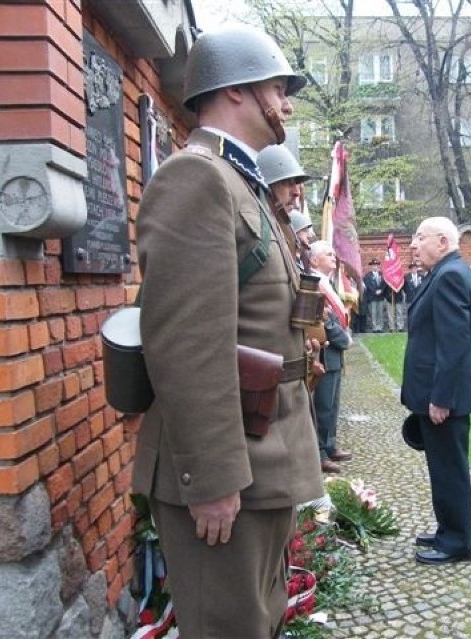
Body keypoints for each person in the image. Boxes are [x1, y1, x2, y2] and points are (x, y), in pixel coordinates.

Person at [132, 25, 324, 638]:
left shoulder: (240, 182)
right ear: (237, 90)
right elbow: (186, 344)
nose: (287, 103)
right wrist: (212, 480)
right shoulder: (197, 179)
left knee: (256, 622)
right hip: (228, 469)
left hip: (264, 453)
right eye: (277, 86)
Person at [401, 216, 471, 565]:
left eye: (420, 237)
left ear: (443, 242)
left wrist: (441, 398)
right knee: (443, 466)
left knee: (449, 469)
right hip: (437, 392)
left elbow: (453, 345)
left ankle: (458, 542)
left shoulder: (449, 276)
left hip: (444, 397)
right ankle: (449, 528)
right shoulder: (445, 272)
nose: (413, 245)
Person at [307, 241, 354, 474]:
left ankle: (330, 444)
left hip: (333, 350)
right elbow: (324, 319)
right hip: (323, 349)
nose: (334, 257)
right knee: (323, 404)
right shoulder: (315, 283)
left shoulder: (327, 282)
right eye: (328, 254)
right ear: (314, 260)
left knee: (333, 404)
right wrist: (344, 339)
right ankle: (320, 453)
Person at [258, 144, 315, 271]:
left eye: (296, 184)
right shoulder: (257, 231)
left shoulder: (284, 231)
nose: (297, 192)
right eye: (285, 182)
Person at [363, 258, 385, 332]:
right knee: (373, 313)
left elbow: (384, 284)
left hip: (380, 296)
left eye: (376, 265)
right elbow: (368, 285)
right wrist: (375, 291)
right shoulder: (368, 275)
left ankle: (380, 327)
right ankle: (375, 327)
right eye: (374, 265)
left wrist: (381, 290)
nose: (375, 267)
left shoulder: (382, 274)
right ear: (371, 266)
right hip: (372, 297)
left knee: (380, 313)